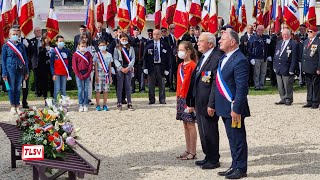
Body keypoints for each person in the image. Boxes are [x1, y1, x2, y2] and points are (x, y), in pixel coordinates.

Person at [214, 29, 250, 179]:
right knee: (231, 137)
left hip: (234, 108)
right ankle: (235, 165)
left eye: (223, 39)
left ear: (233, 42)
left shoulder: (240, 59)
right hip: (224, 106)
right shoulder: (224, 58)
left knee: (238, 138)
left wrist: (236, 108)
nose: (219, 41)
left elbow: (242, 88)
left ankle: (241, 168)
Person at [187, 32, 222, 169]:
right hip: (199, 101)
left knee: (210, 130)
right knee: (203, 130)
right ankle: (208, 156)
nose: (198, 43)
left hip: (208, 102)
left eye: (201, 41)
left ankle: (214, 159)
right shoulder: (204, 57)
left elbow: (215, 84)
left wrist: (211, 104)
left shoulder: (216, 57)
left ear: (210, 44)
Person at [175, 41, 197, 160]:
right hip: (180, 97)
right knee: (185, 124)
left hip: (189, 98)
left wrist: (192, 101)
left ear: (188, 51)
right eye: (179, 50)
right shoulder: (180, 65)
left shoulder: (193, 66)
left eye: (182, 50)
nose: (179, 52)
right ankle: (188, 149)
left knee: (191, 124)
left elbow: (193, 85)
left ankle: (193, 151)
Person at [2, 28, 29, 114]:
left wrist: (26, 71)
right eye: (13, 34)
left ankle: (17, 105)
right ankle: (12, 106)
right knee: (11, 88)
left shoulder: (21, 46)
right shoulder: (6, 46)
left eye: (16, 34)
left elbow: (25, 59)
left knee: (18, 88)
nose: (15, 36)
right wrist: (4, 72)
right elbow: (3, 60)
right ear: (9, 36)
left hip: (20, 69)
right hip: (10, 69)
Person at [143, 29, 170, 104]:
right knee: (151, 84)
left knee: (162, 84)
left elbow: (168, 58)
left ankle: (162, 99)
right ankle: (151, 100)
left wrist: (167, 69)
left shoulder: (164, 44)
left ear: (160, 35)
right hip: (151, 66)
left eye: (158, 34)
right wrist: (145, 67)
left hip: (161, 66)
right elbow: (144, 57)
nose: (156, 35)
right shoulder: (148, 44)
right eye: (154, 34)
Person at [273, 28, 298, 106]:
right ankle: (283, 98)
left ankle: (288, 98)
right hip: (279, 67)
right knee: (280, 85)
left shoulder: (294, 43)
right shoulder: (279, 43)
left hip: (287, 67)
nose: (284, 36)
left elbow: (294, 58)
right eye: (283, 34)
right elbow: (276, 55)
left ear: (290, 34)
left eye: (286, 34)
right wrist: (274, 66)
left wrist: (292, 69)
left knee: (287, 84)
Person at [113, 33, 135, 111]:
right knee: (120, 86)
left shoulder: (131, 48)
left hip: (128, 68)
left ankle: (129, 103)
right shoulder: (117, 48)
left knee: (128, 86)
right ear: (120, 40)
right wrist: (120, 68)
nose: (124, 41)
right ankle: (119, 103)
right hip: (120, 69)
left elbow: (133, 58)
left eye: (126, 39)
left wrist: (129, 67)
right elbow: (115, 59)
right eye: (123, 39)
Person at [301, 26, 320, 109]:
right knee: (309, 85)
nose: (308, 33)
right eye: (308, 31)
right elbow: (304, 54)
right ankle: (309, 101)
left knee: (315, 85)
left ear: (315, 32)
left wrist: (319, 68)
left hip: (315, 68)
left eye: (310, 31)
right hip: (307, 67)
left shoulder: (318, 42)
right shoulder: (306, 41)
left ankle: (315, 102)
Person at [72, 40, 93, 112]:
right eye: (82, 46)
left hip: (86, 73)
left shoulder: (88, 54)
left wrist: (87, 74)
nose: (83, 47)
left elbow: (90, 65)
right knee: (80, 90)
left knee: (86, 89)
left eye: (84, 46)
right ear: (78, 46)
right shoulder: (75, 54)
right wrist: (79, 75)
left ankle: (85, 104)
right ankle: (80, 104)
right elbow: (74, 66)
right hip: (78, 73)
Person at [50, 35, 72, 103]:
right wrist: (53, 74)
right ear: (56, 42)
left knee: (63, 89)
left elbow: (69, 63)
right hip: (56, 73)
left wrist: (69, 74)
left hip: (64, 74)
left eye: (62, 41)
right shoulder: (54, 51)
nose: (61, 43)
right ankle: (55, 104)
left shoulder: (67, 51)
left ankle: (64, 104)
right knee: (56, 89)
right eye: (60, 41)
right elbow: (51, 64)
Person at [248, 25, 270, 90]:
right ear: (257, 30)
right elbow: (249, 48)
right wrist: (251, 58)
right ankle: (256, 86)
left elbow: (268, 48)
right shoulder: (253, 38)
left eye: (262, 30)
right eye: (259, 30)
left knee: (263, 72)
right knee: (256, 73)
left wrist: (268, 55)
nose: (261, 31)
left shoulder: (266, 37)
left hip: (264, 58)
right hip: (256, 58)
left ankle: (262, 85)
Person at [94, 40, 113, 111]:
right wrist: (96, 76)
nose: (102, 47)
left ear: (106, 45)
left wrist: (110, 76)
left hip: (106, 74)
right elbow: (95, 66)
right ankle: (98, 105)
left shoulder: (109, 55)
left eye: (103, 45)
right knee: (98, 90)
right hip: (99, 73)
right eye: (101, 45)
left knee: (105, 90)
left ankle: (105, 105)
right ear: (98, 46)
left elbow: (110, 66)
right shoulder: (96, 54)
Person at [38, 33, 54, 104]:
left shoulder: (54, 47)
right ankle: (45, 98)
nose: (47, 40)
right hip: (44, 67)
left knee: (52, 82)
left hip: (52, 67)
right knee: (44, 83)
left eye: (48, 38)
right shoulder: (41, 48)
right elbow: (40, 59)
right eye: (46, 38)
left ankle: (53, 97)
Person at [131, 27, 147, 93]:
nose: (137, 32)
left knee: (141, 76)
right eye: (135, 31)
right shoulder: (131, 39)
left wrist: (141, 39)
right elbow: (132, 43)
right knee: (132, 76)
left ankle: (142, 88)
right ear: (133, 32)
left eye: (138, 31)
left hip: (141, 60)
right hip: (133, 61)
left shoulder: (143, 40)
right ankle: (132, 89)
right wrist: (137, 38)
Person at [28, 27, 43, 96]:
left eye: (39, 30)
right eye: (37, 31)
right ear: (34, 32)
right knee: (36, 78)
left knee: (43, 77)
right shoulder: (31, 41)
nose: (38, 32)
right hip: (35, 62)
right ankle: (37, 92)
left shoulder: (45, 40)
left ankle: (43, 91)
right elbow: (29, 52)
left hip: (43, 62)